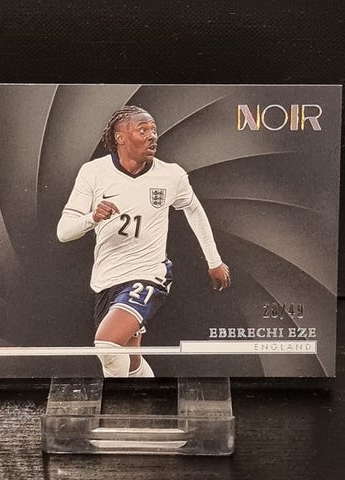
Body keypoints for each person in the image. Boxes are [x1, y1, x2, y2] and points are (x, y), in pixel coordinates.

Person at [57, 105, 231, 377]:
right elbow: (63, 232)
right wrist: (92, 217)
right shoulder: (93, 172)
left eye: (154, 130)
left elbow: (194, 210)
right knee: (130, 360)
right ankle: (146, 396)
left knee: (107, 345)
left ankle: (119, 403)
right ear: (120, 137)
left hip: (149, 274)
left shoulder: (171, 175)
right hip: (107, 278)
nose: (152, 136)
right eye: (143, 130)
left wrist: (214, 261)